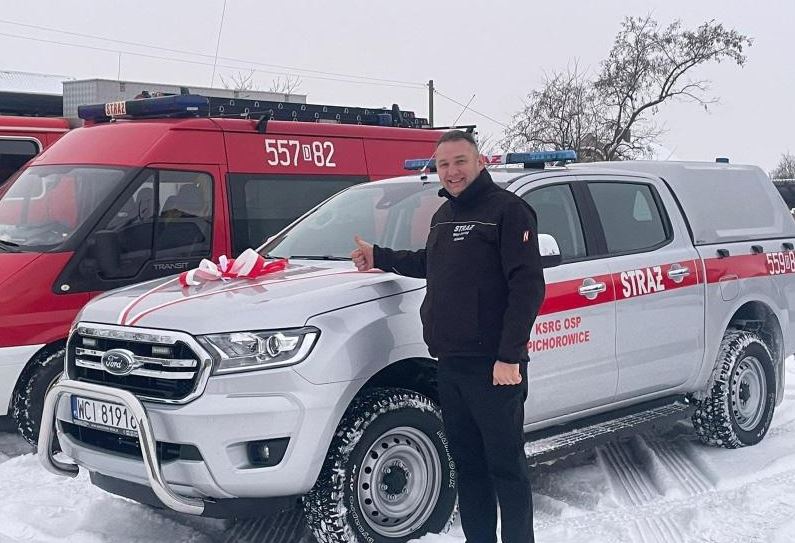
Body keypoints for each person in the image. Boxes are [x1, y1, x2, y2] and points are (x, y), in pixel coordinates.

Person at [351, 130, 545, 543]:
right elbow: (433, 263)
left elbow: (527, 287)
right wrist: (379, 256)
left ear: (480, 162)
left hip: (495, 368)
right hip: (451, 364)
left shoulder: (508, 211)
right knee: (469, 469)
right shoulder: (444, 215)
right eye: (443, 164)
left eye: (460, 161)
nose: (452, 171)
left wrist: (509, 356)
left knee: (506, 470)